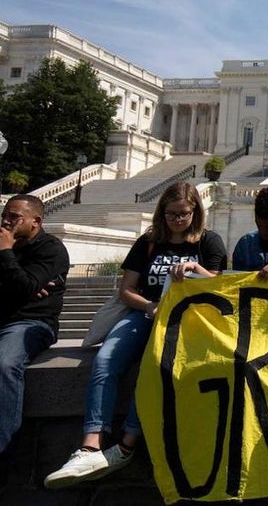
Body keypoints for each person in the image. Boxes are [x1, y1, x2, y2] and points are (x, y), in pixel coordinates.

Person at [45, 182, 226, 489]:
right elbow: (126, 290)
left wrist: (197, 268)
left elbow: (219, 287)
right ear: (161, 212)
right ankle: (90, 446)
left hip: (184, 320)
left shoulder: (209, 241)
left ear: (195, 212)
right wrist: (149, 306)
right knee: (106, 360)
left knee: (152, 368)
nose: (177, 220)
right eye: (171, 214)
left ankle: (125, 445)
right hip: (145, 312)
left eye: (183, 214)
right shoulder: (150, 241)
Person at [0, 194, 70, 455]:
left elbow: (24, 286)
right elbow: (24, 287)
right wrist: (21, 285)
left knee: (5, 363)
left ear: (36, 222)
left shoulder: (51, 249)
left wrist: (6, 253)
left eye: (14, 217)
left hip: (32, 323)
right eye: (4, 216)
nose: (6, 222)